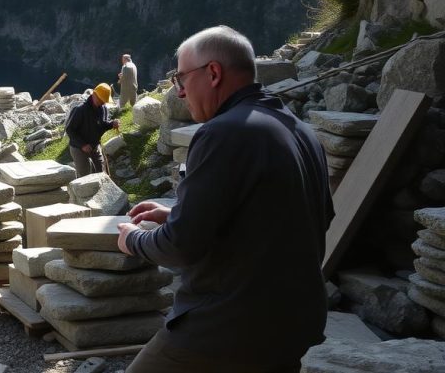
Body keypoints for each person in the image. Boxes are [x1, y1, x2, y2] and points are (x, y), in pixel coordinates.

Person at [117, 25, 334, 373]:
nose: (181, 93)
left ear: (213, 73)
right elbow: (303, 216)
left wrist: (135, 240)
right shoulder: (300, 131)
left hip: (226, 328)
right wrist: (175, 212)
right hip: (293, 323)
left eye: (181, 79)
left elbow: (180, 246)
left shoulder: (223, 132)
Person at [64, 83, 119, 177]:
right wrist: (83, 145)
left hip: (95, 145)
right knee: (84, 176)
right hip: (78, 148)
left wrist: (112, 124)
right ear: (94, 94)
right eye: (101, 99)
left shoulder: (103, 109)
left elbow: (102, 125)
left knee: (102, 173)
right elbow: (70, 130)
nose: (102, 102)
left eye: (104, 100)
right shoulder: (79, 110)